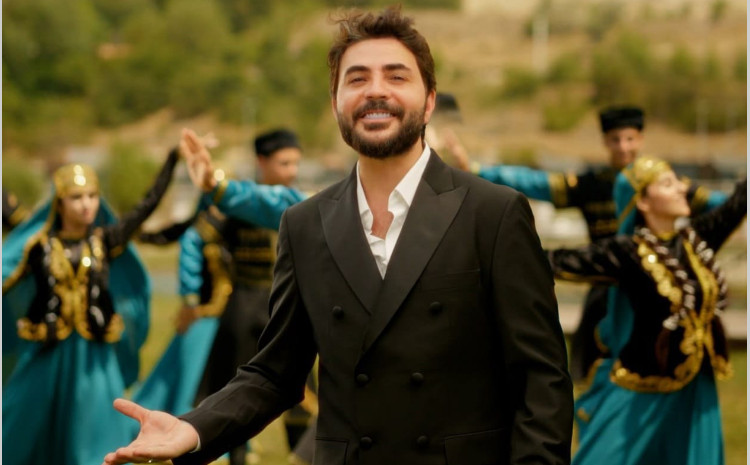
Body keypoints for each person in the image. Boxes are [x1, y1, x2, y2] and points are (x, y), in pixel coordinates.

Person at [103, 6, 573, 465]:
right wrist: (192, 430)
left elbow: (542, 378)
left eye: (396, 77)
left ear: (429, 100)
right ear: (335, 104)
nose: (376, 91)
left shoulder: (494, 213)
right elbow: (274, 374)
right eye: (357, 79)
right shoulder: (304, 224)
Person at [447, 104, 728, 382]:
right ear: (606, 142)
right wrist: (477, 170)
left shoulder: (662, 184)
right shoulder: (591, 184)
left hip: (657, 291)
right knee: (596, 371)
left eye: (629, 139)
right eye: (615, 140)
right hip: (605, 285)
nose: (623, 147)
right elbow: (537, 183)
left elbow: (721, 207)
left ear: (641, 139)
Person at [548, 156, 746, 465]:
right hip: (641, 394)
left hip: (697, 393)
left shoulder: (696, 239)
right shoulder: (628, 252)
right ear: (642, 201)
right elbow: (554, 261)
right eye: (667, 184)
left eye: (678, 180)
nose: (681, 188)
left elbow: (738, 203)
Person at [133, 129, 313, 465]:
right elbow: (193, 240)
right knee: (237, 382)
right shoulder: (238, 203)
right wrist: (191, 297)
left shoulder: (297, 203)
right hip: (244, 302)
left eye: (295, 164)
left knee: (303, 386)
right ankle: (237, 454)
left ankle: (302, 455)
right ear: (262, 161)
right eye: (284, 163)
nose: (292, 171)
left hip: (285, 302)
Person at [2, 148, 180, 465]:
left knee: (95, 432)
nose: (86, 204)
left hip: (94, 359)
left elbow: (145, 207)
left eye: (92, 196)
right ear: (59, 202)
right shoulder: (37, 245)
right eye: (76, 197)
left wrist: (173, 159)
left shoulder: (104, 241)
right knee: (21, 424)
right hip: (46, 353)